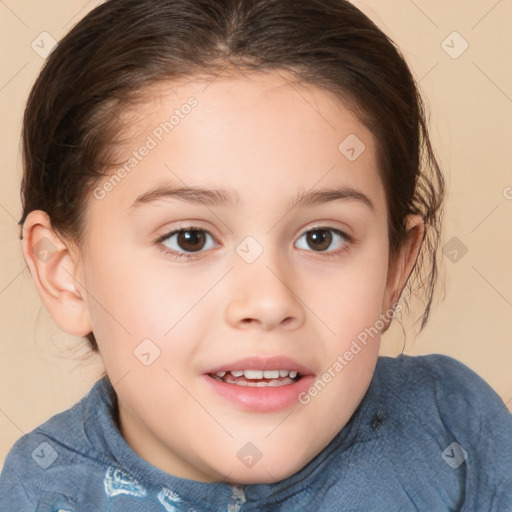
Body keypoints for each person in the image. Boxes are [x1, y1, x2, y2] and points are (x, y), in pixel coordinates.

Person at [1, 0, 511, 510]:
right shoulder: (40, 495)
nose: (268, 302)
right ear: (65, 273)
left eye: (321, 238)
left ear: (394, 270)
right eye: (190, 239)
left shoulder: (453, 428)